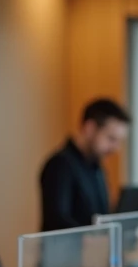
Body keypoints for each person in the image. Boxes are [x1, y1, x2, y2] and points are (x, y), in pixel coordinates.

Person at [39, 98, 130, 231]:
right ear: (90, 128)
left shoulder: (96, 167)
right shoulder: (59, 165)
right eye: (111, 138)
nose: (116, 148)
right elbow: (57, 221)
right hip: (65, 251)